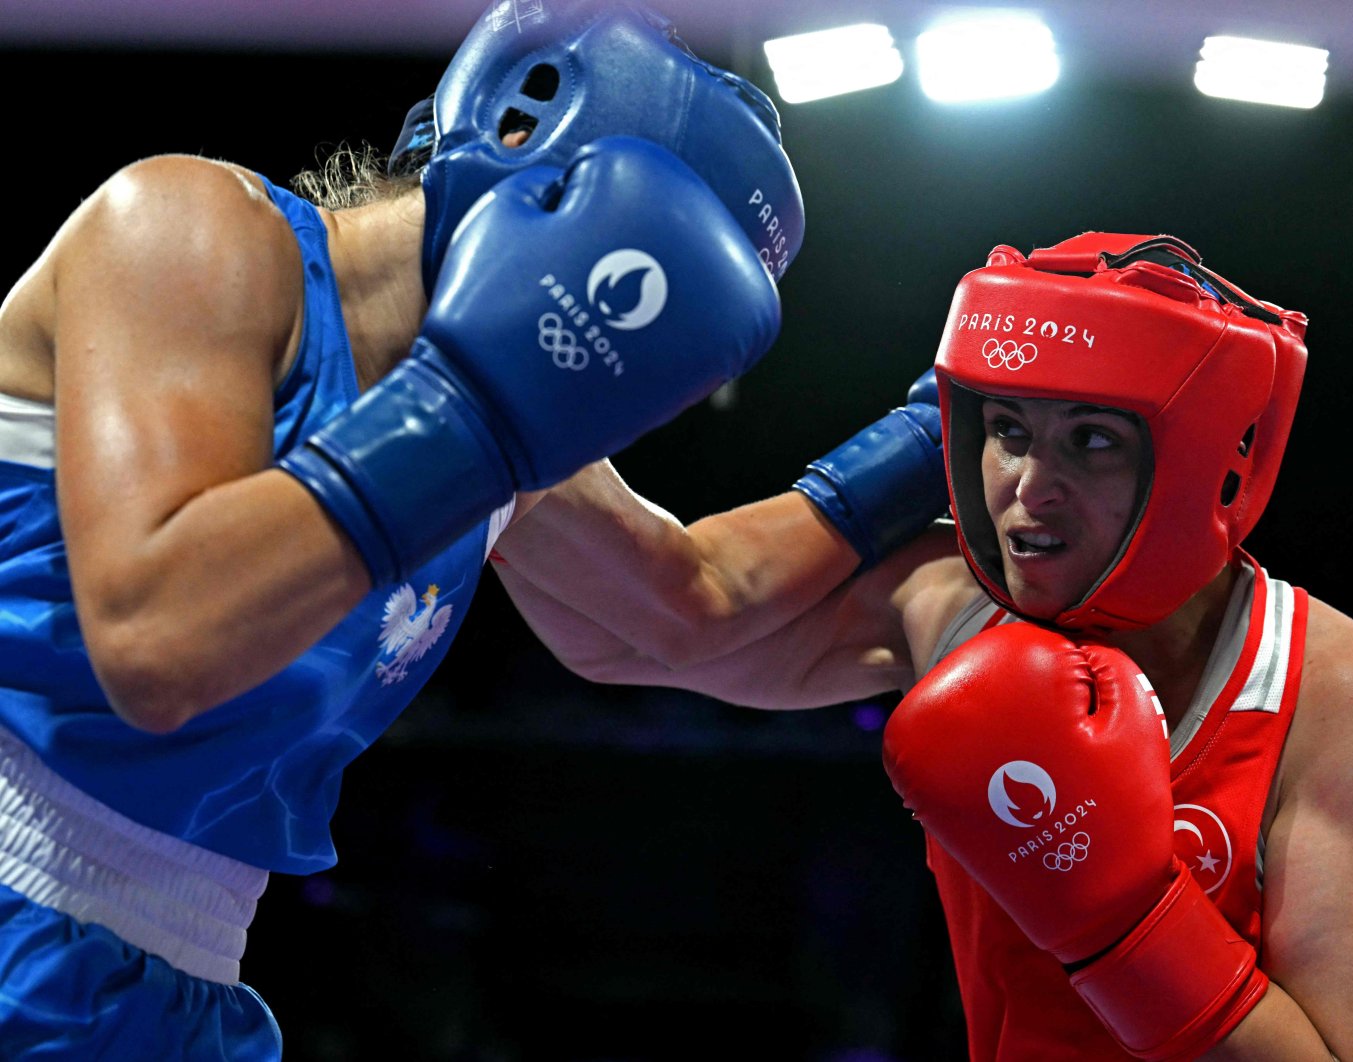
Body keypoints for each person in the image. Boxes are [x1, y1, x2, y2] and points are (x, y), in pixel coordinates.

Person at [0, 0, 815, 1054]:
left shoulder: (498, 435)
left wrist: (946, 438)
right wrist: (471, 416)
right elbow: (155, 644)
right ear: (523, 127)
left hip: (180, 979)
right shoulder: (187, 232)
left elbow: (700, 598)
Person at [492, 231, 1353, 1059]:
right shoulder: (953, 607)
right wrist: (470, 378)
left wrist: (1126, 926)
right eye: (1005, 430)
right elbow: (639, 632)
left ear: (1199, 456)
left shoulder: (1344, 697)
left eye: (1093, 442)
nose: (1030, 487)